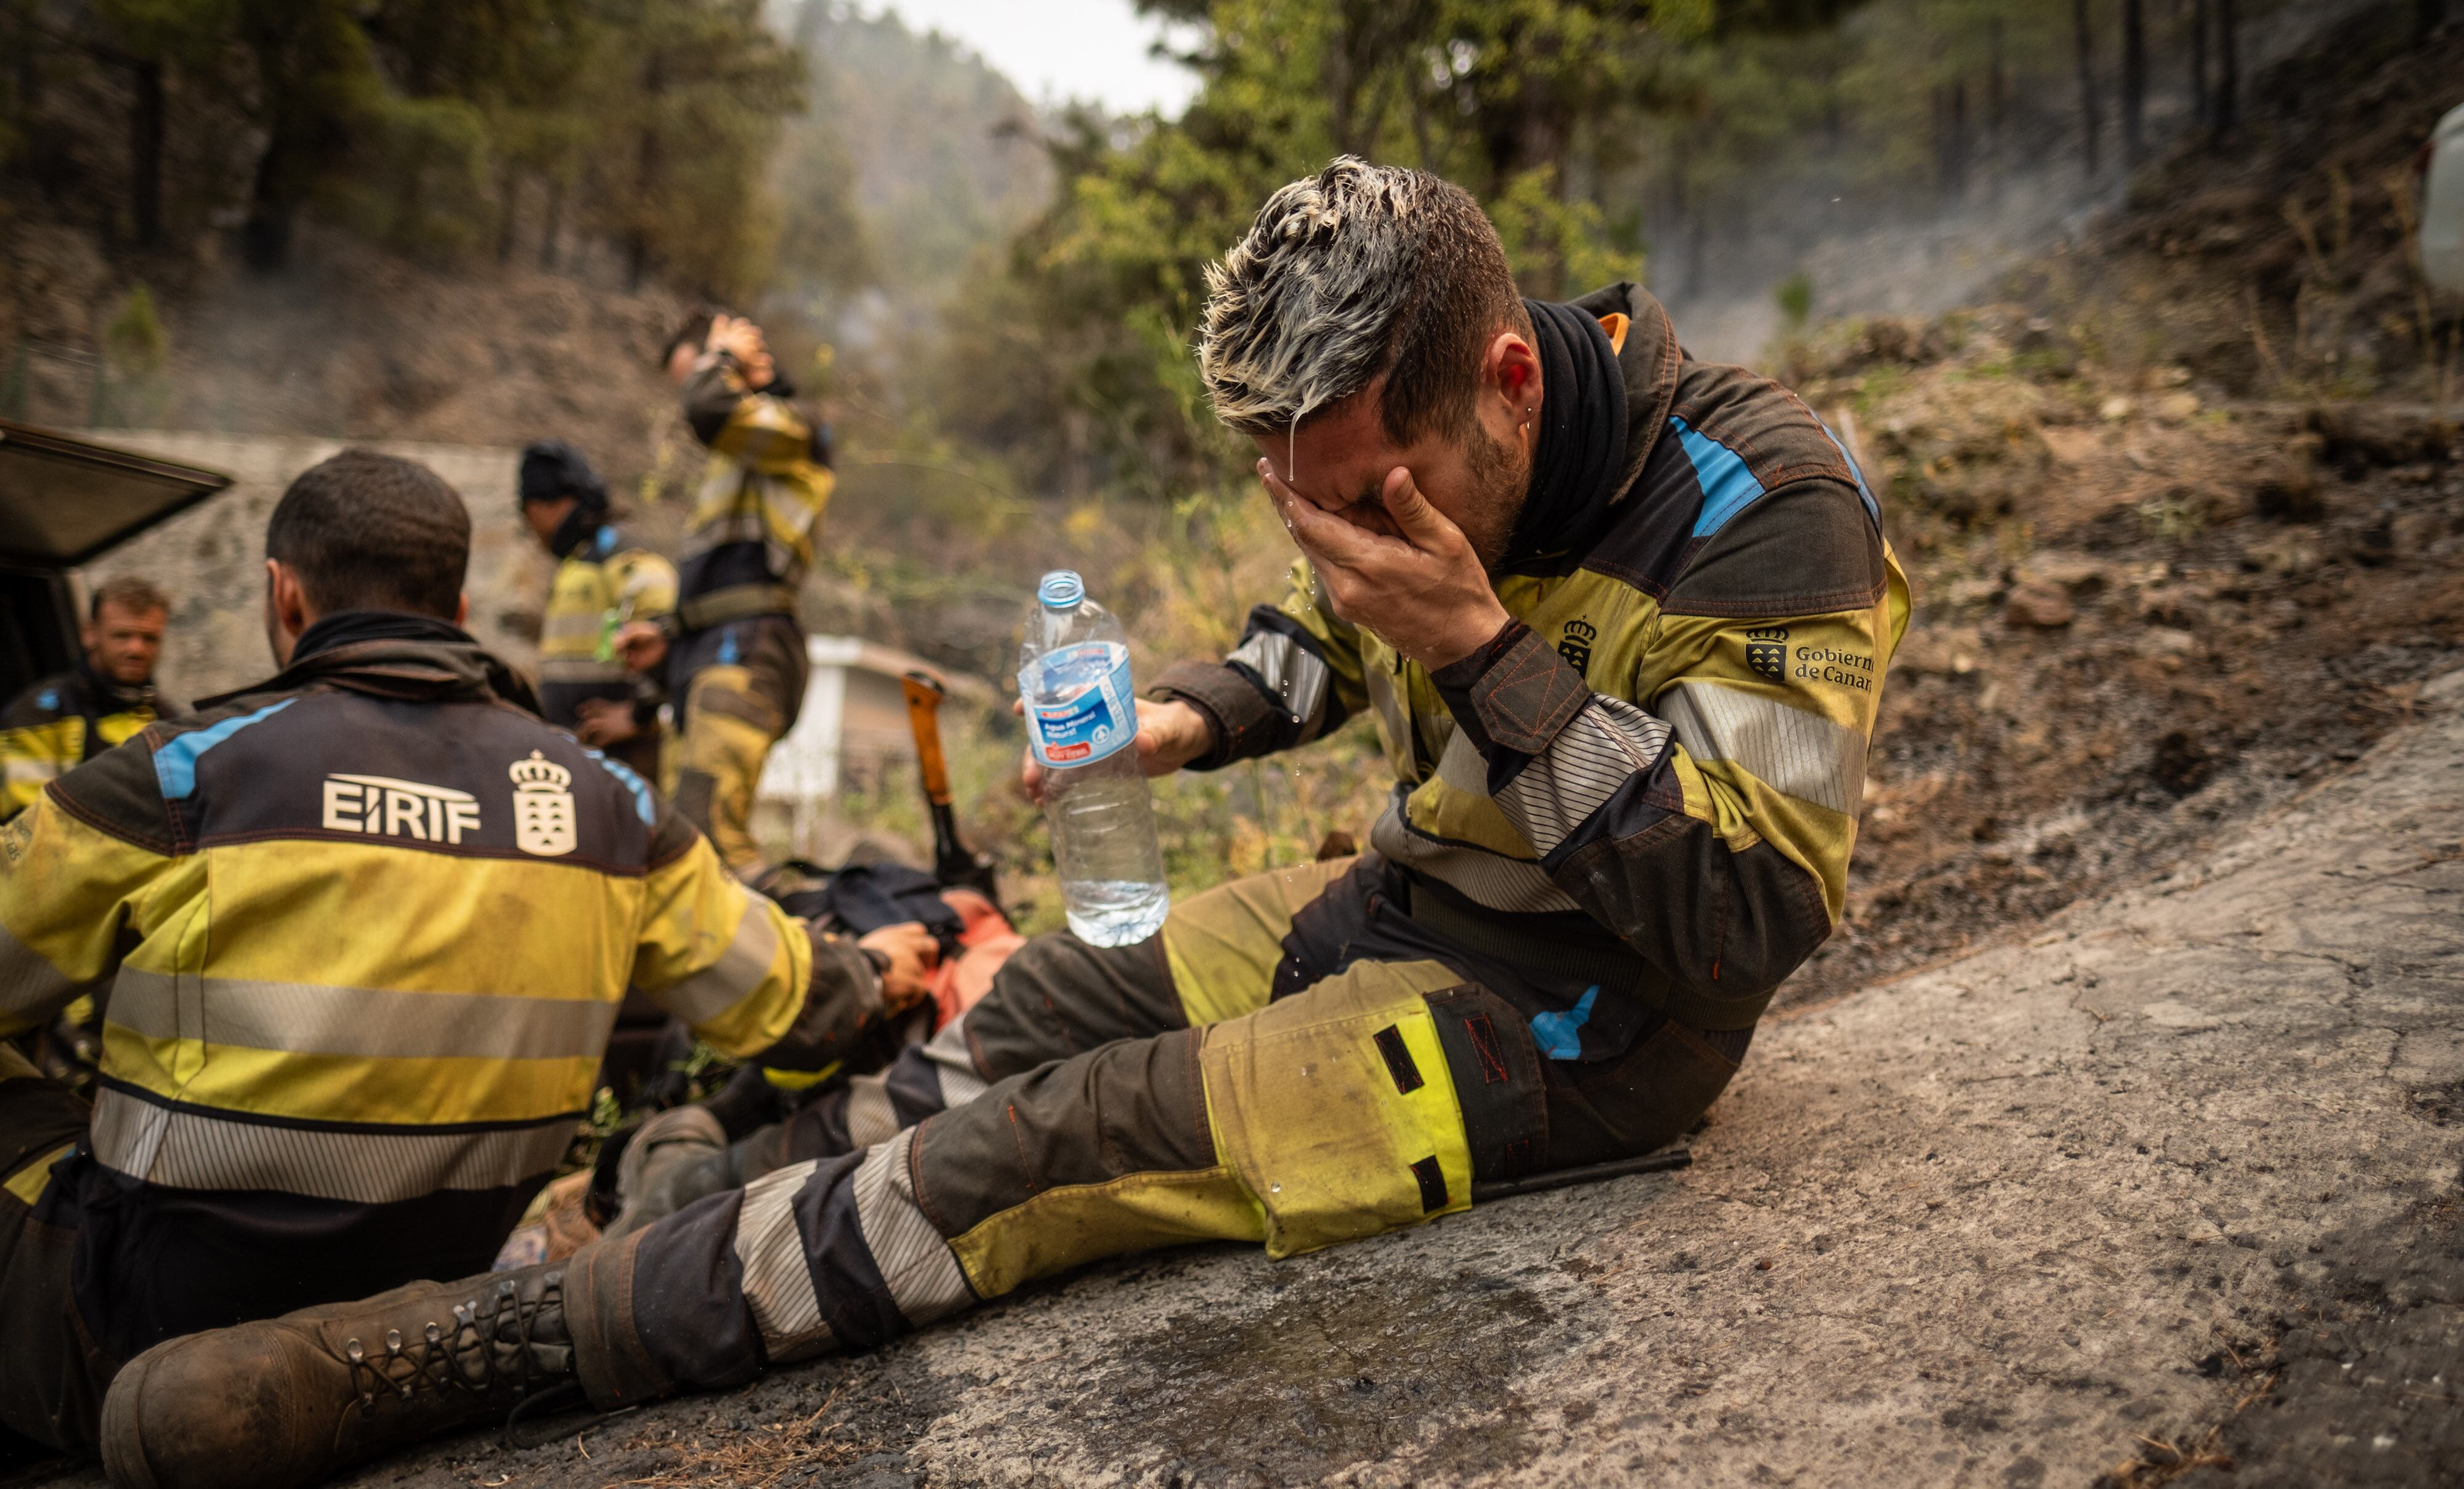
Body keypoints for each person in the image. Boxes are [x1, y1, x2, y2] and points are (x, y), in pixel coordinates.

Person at [97, 161, 1910, 1489]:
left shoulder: (1767, 506)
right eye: (1295, 504)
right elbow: (1320, 644)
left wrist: (1476, 646)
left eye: (1364, 507)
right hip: (1407, 900)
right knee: (1034, 998)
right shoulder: (1438, 440)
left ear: (1507, 385)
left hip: (1579, 1027)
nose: (1336, 543)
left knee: (1048, 1148)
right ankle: (620, 1215)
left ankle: (488, 1354)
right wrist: (1179, 712)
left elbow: (1744, 914)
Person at [0, 449, 933, 1461]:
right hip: (409, 1337)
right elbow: (791, 1005)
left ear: (284, 593)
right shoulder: (609, 803)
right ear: (458, 602)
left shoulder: (182, 774)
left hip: (124, 1332)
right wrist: (875, 970)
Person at [616, 312, 833, 883]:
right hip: (717, 647)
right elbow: (724, 579)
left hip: (749, 648)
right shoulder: (740, 460)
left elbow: (711, 409)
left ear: (747, 361)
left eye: (707, 371)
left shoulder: (793, 430)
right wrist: (666, 637)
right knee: (685, 833)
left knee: (710, 835)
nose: (694, 393)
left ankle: (815, 949)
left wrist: (726, 355)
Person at [516, 440, 678, 782]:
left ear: (543, 506)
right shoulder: (579, 561)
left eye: (528, 514)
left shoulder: (616, 552)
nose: (532, 530)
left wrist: (639, 715)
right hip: (582, 764)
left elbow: (669, 631)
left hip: (622, 768)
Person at [1, 576, 177, 821]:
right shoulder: (37, 713)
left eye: (149, 638)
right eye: (122, 636)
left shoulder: (167, 717)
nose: (137, 649)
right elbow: (28, 825)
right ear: (90, 635)